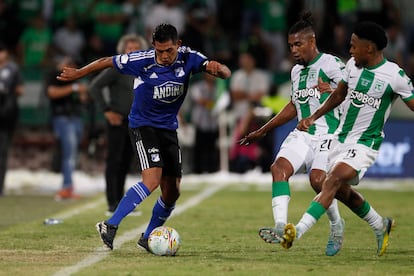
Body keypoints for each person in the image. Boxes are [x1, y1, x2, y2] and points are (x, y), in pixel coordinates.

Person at [57, 23, 231, 251]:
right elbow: (107, 60)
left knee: (173, 192)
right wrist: (79, 73)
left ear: (178, 45)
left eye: (169, 50)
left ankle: (147, 237)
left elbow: (225, 72)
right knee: (152, 179)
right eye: (160, 51)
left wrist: (219, 69)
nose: (165, 56)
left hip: (168, 129)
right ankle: (109, 225)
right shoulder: (142, 59)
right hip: (142, 126)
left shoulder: (189, 57)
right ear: (153, 47)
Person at [285, 21, 414, 256]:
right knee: (335, 188)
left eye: (354, 46)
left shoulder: (395, 76)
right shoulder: (352, 67)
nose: (350, 50)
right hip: (339, 139)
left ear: (370, 48)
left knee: (332, 180)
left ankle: (297, 230)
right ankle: (379, 224)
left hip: (365, 143)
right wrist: (313, 117)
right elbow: (338, 95)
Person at [240, 12, 346, 256]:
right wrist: (263, 129)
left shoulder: (332, 64)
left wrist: (330, 89)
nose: (294, 50)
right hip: (302, 133)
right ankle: (280, 226)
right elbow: (293, 105)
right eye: (290, 45)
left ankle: (336, 224)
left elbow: (349, 94)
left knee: (318, 181)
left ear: (312, 41)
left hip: (327, 134)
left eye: (298, 44)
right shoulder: (296, 72)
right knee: (278, 169)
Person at [88, 33, 148, 215]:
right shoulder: (117, 68)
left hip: (136, 121)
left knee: (126, 162)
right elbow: (94, 86)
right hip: (118, 119)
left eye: (136, 48)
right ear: (122, 50)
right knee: (114, 161)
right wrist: (106, 110)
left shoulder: (145, 69)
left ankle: (121, 202)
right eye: (129, 48)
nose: (133, 51)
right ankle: (111, 202)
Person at [46, 56, 88, 200]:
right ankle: (66, 187)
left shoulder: (76, 77)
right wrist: (74, 88)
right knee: (69, 154)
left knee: (73, 153)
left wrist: (82, 92)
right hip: (62, 118)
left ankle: (68, 186)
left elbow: (84, 99)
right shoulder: (54, 75)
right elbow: (52, 93)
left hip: (76, 117)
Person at [0, 42, 24, 196]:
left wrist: (7, 93)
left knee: (2, 153)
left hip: (5, 117)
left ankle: (0, 187)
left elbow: (20, 90)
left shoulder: (13, 69)